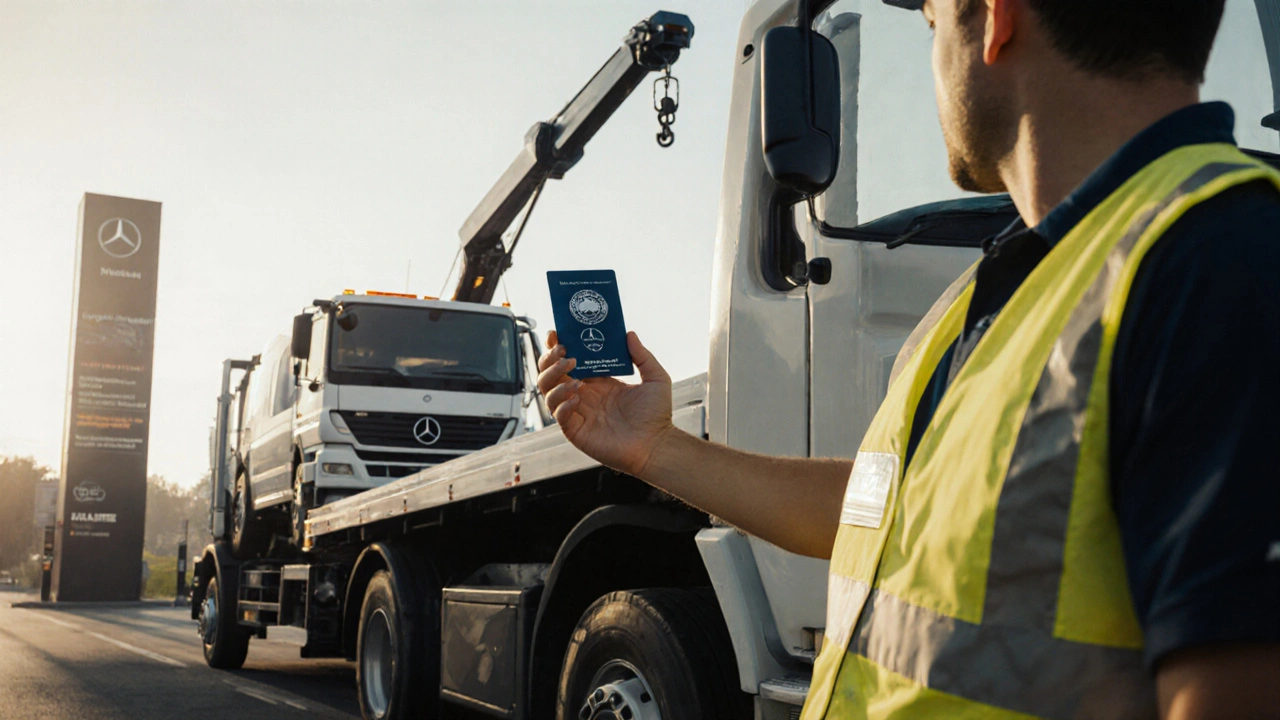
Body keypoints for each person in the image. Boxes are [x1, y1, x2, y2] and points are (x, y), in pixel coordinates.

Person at [538, 0, 1280, 717]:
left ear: (995, 16)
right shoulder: (999, 289)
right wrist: (656, 449)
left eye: (932, 21)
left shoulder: (1229, 265)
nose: (935, 60)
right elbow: (883, 512)